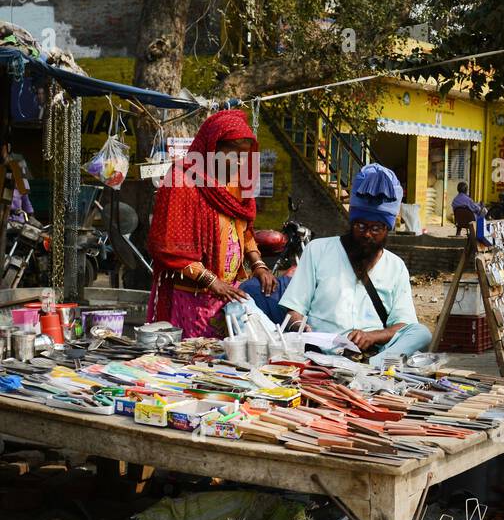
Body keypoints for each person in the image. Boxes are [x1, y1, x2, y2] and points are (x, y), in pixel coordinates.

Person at [280, 163, 432, 366]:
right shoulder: (318, 250)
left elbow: (403, 325)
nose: (367, 234)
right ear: (351, 222)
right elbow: (294, 310)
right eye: (360, 226)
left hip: (372, 353)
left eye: (376, 228)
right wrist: (301, 327)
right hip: (322, 353)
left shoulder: (396, 267)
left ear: (388, 229)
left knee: (421, 332)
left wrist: (372, 337)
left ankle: (373, 366)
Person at [146, 109, 274, 338]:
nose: (240, 162)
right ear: (212, 149)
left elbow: (244, 230)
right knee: (191, 364)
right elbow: (168, 247)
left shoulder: (238, 183)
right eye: (233, 154)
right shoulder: (181, 181)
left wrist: (259, 265)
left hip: (229, 297)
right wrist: (212, 281)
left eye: (245, 155)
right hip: (191, 299)